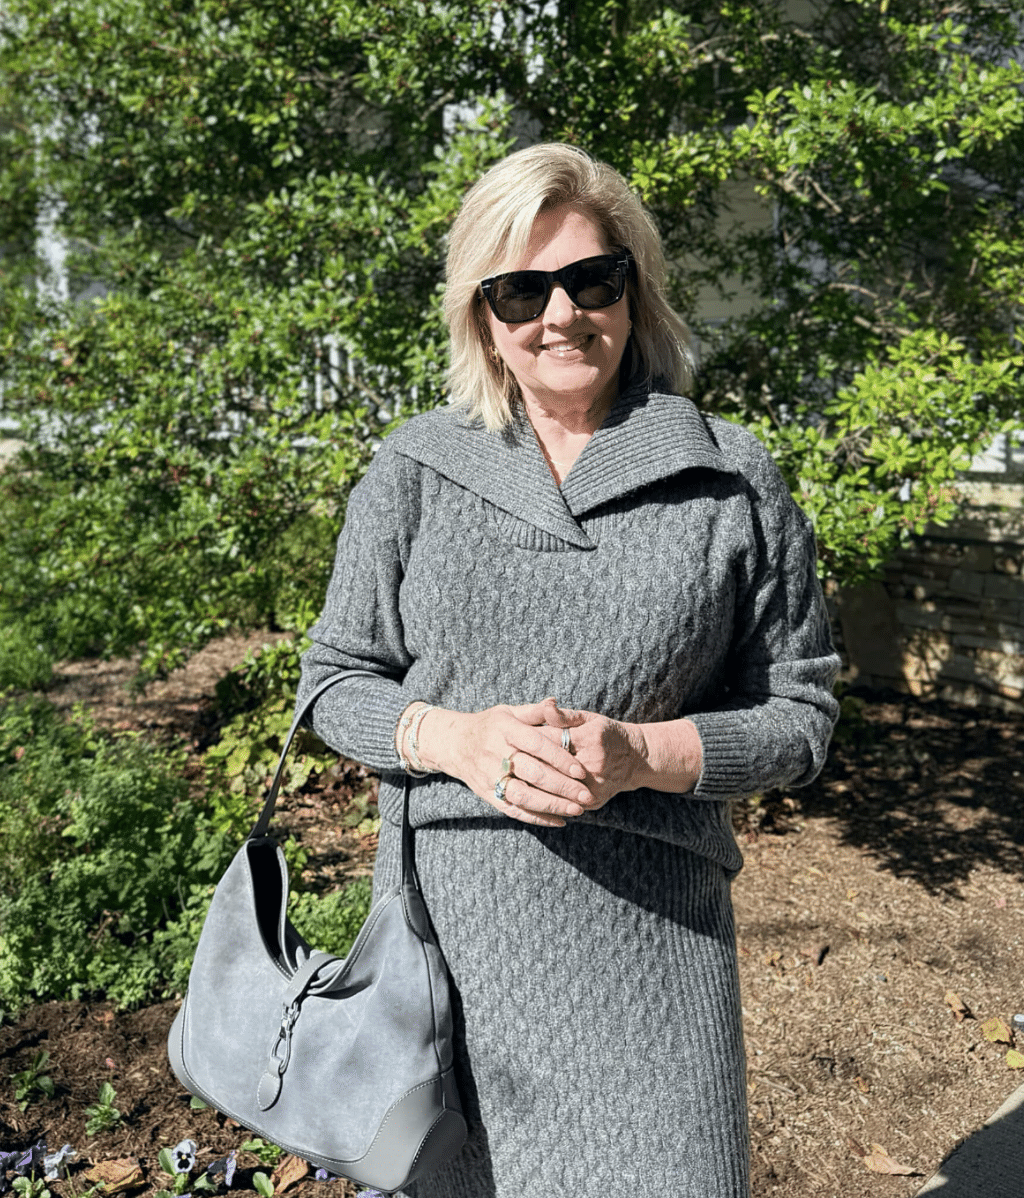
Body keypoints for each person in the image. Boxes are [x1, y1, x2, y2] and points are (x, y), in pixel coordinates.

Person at [291, 142, 840, 1198]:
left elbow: (800, 715)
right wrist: (452, 736)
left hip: (654, 939)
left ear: (634, 290)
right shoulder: (416, 469)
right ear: (481, 314)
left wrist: (642, 753)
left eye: (592, 279)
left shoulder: (727, 478)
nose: (561, 314)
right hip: (449, 942)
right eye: (520, 289)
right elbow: (334, 681)